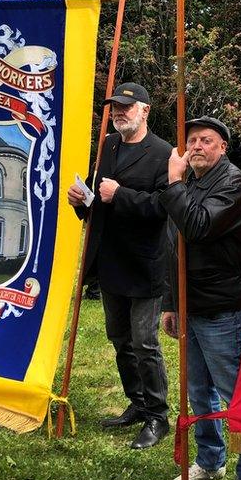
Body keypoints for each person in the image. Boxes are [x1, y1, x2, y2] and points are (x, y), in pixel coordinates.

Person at [159, 116, 241, 480]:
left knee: (234, 392)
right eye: (191, 141)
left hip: (223, 307)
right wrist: (171, 303)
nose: (196, 147)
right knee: (198, 393)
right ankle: (210, 460)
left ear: (223, 147)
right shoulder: (191, 185)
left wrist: (173, 182)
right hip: (191, 305)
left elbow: (198, 226)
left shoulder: (233, 184)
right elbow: (175, 246)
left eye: (206, 140)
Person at [66, 82, 172, 449]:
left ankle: (158, 417)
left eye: (127, 107)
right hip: (110, 261)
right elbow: (97, 205)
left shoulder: (163, 154)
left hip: (144, 264)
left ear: (145, 111)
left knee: (145, 342)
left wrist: (121, 195)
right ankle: (138, 403)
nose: (119, 112)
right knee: (120, 339)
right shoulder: (108, 146)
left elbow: (165, 208)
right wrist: (81, 200)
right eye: (114, 107)